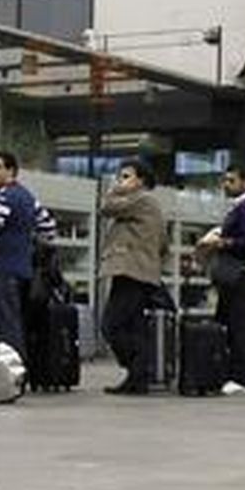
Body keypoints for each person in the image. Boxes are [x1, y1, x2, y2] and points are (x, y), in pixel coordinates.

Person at [0, 150, 56, 355]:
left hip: (0, 269)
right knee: (15, 322)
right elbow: (49, 229)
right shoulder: (27, 197)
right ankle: (19, 374)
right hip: (23, 270)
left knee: (4, 325)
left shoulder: (1, 199)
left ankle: (13, 374)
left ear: (11, 170)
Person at [99, 159, 169, 395]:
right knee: (133, 326)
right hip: (136, 271)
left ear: (141, 180)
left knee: (111, 324)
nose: (121, 181)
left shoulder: (142, 199)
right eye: (120, 176)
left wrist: (115, 188)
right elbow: (163, 244)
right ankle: (137, 378)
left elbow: (106, 207)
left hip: (133, 272)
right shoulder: (144, 204)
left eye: (126, 176)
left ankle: (140, 368)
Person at [197, 164, 245, 395]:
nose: (226, 185)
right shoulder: (237, 208)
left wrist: (220, 242)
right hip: (233, 276)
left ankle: (242, 378)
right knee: (227, 325)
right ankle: (229, 373)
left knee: (240, 328)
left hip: (243, 275)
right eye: (225, 180)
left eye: (231, 181)